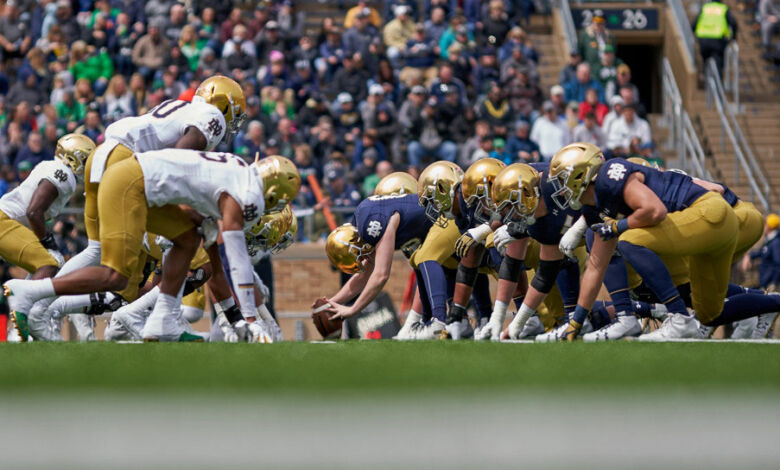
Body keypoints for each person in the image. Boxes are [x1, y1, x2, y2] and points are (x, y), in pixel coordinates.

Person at [4, 149, 275, 342]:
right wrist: (251, 319)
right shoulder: (246, 191)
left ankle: (161, 321)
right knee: (115, 276)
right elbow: (235, 257)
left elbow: (215, 263)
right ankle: (29, 292)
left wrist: (235, 317)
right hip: (130, 182)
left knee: (188, 240)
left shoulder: (232, 174)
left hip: (139, 184)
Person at [547, 143, 740, 341]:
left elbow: (655, 210)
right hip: (694, 224)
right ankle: (766, 304)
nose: (561, 190)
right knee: (709, 311)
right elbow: (596, 266)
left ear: (581, 174)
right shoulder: (593, 207)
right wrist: (576, 322)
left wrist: (618, 226)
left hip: (708, 212)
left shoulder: (609, 178)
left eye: (563, 181)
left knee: (629, 240)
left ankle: (679, 317)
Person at [692, 0, 738, 77]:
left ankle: (705, 77)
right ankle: (717, 82)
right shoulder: (723, 8)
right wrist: (733, 38)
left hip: (703, 40)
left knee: (706, 60)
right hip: (718, 40)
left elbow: (694, 24)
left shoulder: (705, 8)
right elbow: (734, 24)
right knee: (718, 64)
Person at [746, 214, 780, 292]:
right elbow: (762, 251)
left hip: (768, 282)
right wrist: (750, 256)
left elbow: (778, 264)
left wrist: (774, 282)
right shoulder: (770, 239)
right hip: (764, 280)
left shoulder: (776, 243)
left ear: (769, 227)